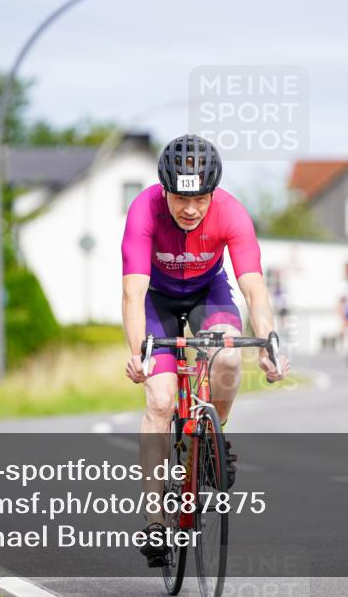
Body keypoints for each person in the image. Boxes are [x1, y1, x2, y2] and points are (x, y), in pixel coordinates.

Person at [121, 134, 290, 565]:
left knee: (229, 359)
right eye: (180, 197)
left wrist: (269, 343)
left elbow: (254, 288)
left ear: (213, 192)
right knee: (159, 403)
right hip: (157, 301)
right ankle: (156, 522)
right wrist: (139, 350)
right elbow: (133, 291)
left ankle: (214, 441)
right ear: (165, 190)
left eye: (200, 198)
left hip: (207, 293)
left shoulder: (232, 212)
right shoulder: (144, 210)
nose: (191, 208)